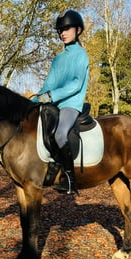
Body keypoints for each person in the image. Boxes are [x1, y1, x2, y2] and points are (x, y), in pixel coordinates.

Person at [33, 9, 89, 195]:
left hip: (71, 104)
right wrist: (33, 100)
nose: (62, 33)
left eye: (66, 29)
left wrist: (50, 96)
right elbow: (48, 84)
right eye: (60, 30)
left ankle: (70, 179)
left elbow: (75, 84)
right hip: (54, 103)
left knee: (59, 134)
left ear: (78, 30)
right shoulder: (58, 59)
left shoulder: (81, 54)